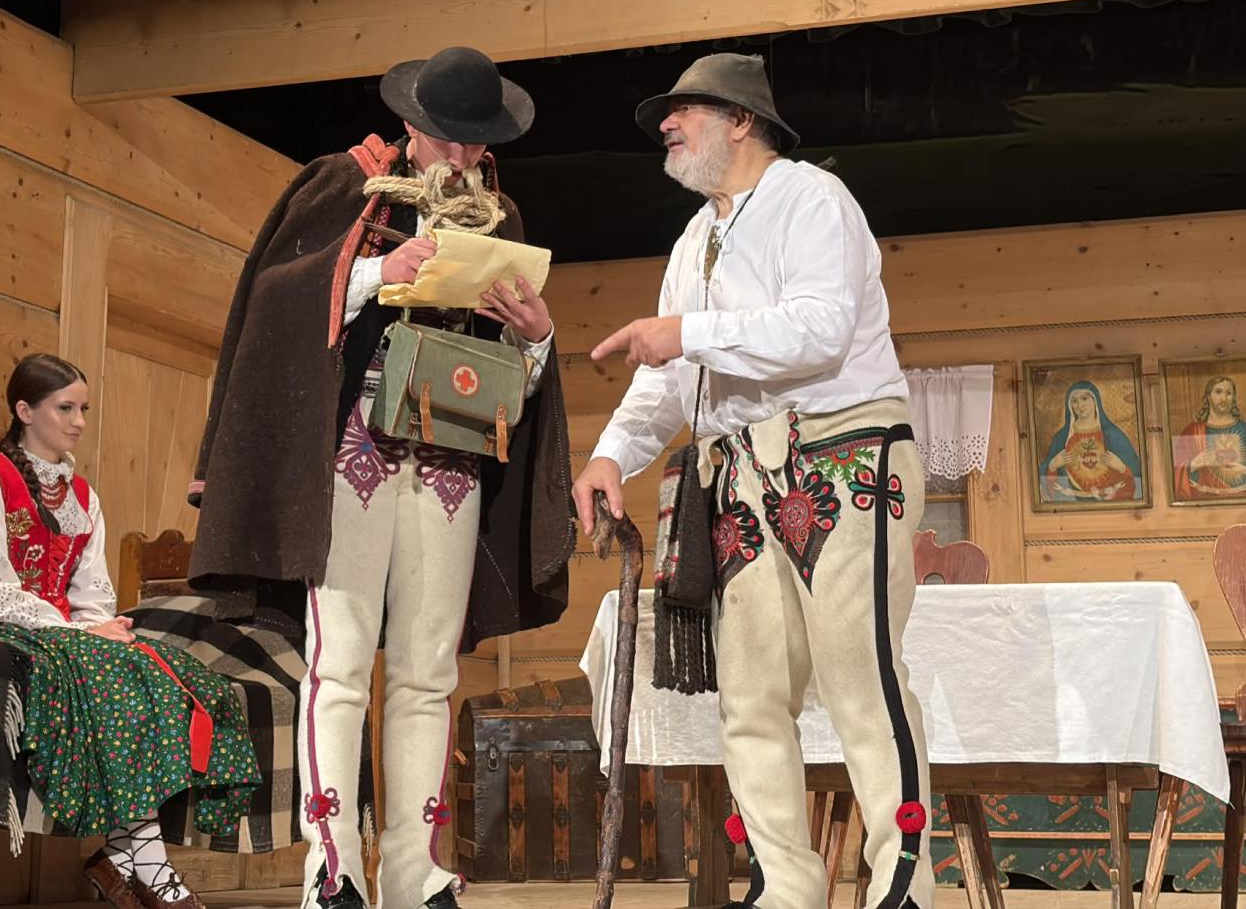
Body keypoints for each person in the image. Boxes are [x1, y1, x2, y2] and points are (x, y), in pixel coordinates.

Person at [188, 47, 574, 909]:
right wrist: (371, 272)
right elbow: (272, 301)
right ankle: (333, 866)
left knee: (429, 669)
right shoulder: (347, 184)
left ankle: (413, 867)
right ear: (411, 123)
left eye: (475, 143)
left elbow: (517, 384)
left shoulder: (500, 216)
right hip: (353, 450)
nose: (461, 157)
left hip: (450, 459)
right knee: (342, 659)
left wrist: (538, 334)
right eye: (447, 139)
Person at [572, 54, 934, 908]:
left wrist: (689, 332)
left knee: (861, 675)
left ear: (740, 120)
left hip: (842, 451)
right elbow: (667, 381)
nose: (666, 125)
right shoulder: (693, 240)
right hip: (737, 472)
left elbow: (820, 328)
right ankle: (785, 886)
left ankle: (901, 880)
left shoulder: (812, 197)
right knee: (751, 695)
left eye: (684, 111)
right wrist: (611, 454)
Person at [0, 353, 262, 909]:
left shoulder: (84, 496)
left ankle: (123, 860)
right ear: (25, 411)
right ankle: (144, 864)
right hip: (14, 625)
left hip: (66, 630)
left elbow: (92, 591)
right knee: (118, 672)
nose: (79, 421)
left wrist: (99, 625)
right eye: (65, 408)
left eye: (83, 409)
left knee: (171, 670)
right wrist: (77, 632)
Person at [1040, 381, 1141, 503]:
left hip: (1110, 499)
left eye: (1084, 398)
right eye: (1074, 401)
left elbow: (1136, 477)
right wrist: (1052, 466)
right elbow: (1046, 482)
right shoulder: (1062, 437)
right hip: (1071, 500)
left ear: (1095, 401)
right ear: (1070, 405)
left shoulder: (1113, 435)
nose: (1079, 405)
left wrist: (1122, 468)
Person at [1174, 375, 1246, 500]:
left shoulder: (1244, 429)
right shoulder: (1193, 431)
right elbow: (1174, 473)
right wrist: (1193, 464)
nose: (1224, 398)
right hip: (1203, 500)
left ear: (1234, 397)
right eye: (1218, 392)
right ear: (1208, 396)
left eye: (1229, 393)